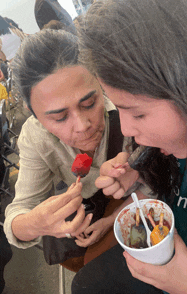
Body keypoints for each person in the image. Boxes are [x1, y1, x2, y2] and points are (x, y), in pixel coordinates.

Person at [71, 0, 187, 293]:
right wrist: (138, 172)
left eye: (138, 113)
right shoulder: (179, 144)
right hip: (171, 251)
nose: (126, 129)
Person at [3, 29, 151, 265]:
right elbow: (21, 209)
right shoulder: (36, 137)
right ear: (35, 116)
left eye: (90, 103)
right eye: (60, 118)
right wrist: (33, 223)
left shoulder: (129, 103)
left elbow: (166, 178)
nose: (83, 126)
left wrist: (115, 214)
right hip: (94, 211)